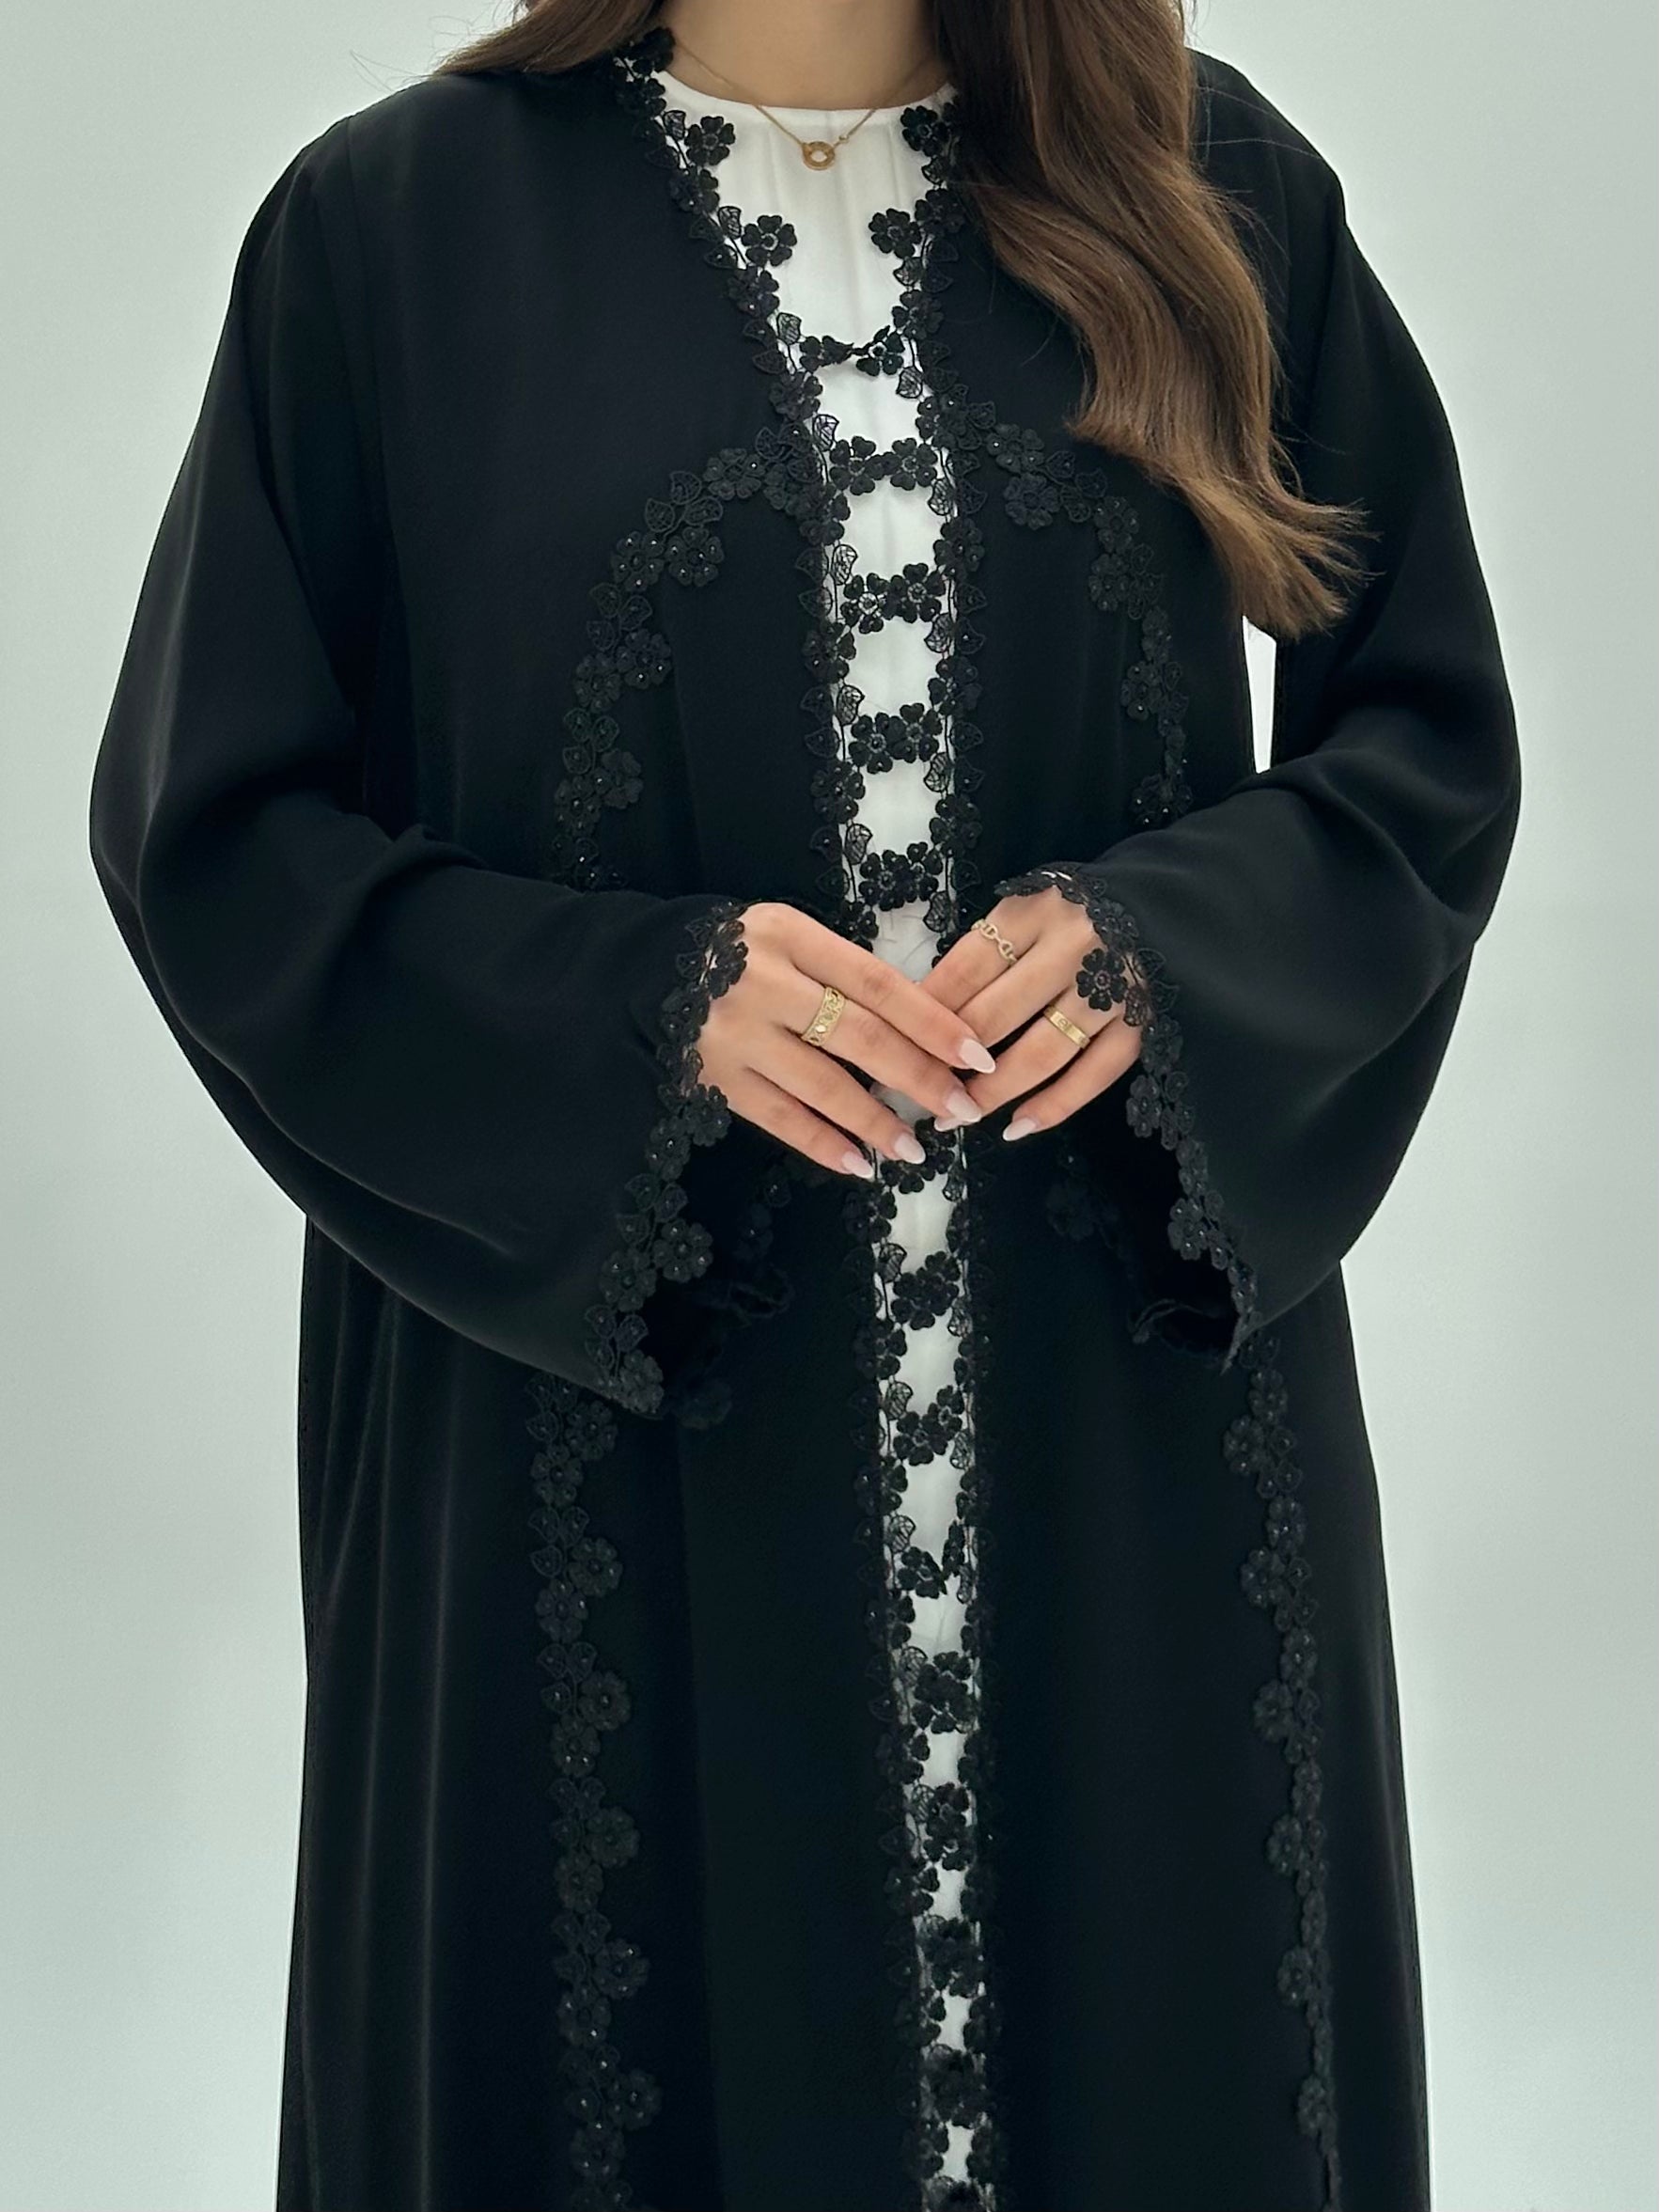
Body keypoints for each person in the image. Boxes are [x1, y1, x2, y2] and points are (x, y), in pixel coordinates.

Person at [86, 2, 1522, 2207]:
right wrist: (644, 1012)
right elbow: (220, 834)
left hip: (1119, 1442)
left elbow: (1420, 740)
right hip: (600, 1433)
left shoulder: (1211, 184)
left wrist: (1167, 954)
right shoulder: (391, 236)